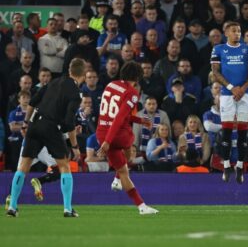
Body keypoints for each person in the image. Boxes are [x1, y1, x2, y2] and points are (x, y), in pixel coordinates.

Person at [6, 58, 86, 218]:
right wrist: (75, 146)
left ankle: (13, 207)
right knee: (64, 167)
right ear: (83, 74)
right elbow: (69, 121)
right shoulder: (76, 94)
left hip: (34, 125)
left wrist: (26, 123)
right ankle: (68, 209)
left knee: (23, 166)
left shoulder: (54, 82)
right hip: (50, 127)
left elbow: (33, 102)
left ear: (69, 70)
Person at [96, 61, 159, 215]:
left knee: (123, 170)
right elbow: (119, 118)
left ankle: (123, 186)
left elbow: (112, 114)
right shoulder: (132, 93)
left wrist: (139, 120)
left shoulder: (110, 85)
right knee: (130, 141)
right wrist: (108, 142)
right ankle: (139, 204)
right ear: (137, 77)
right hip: (116, 135)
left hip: (102, 131)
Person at [211, 22, 248, 183]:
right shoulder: (219, 49)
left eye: (239, 31)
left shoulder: (247, 49)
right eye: (234, 31)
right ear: (226, 33)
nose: (237, 33)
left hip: (245, 94)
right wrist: (232, 88)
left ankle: (239, 166)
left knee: (244, 132)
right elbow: (215, 72)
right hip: (226, 94)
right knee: (227, 131)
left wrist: (243, 89)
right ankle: (225, 166)